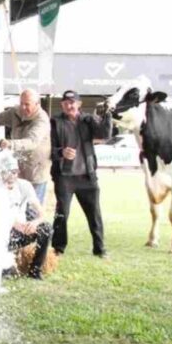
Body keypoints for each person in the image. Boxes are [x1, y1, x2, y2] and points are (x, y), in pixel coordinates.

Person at [50, 90, 112, 258]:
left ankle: (100, 249)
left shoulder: (88, 120)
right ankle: (58, 248)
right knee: (62, 213)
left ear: (79, 104)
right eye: (66, 102)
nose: (69, 105)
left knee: (95, 214)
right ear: (62, 104)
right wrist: (61, 152)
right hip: (64, 176)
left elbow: (105, 134)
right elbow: (49, 150)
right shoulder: (54, 122)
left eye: (72, 102)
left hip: (87, 176)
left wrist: (107, 115)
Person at [0, 155, 53, 280]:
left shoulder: (24, 185)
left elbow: (41, 212)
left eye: (14, 172)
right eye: (7, 172)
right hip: (2, 233)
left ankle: (35, 270)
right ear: (1, 173)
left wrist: (35, 222)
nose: (11, 175)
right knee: (7, 273)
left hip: (23, 230)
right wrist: (13, 224)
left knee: (46, 228)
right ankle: (4, 266)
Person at [0, 89, 51, 203]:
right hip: (18, 171)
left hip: (35, 172)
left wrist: (11, 144)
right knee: (17, 208)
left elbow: (31, 141)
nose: (23, 107)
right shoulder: (15, 112)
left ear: (37, 104)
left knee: (32, 210)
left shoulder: (42, 120)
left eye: (27, 104)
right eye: (21, 103)